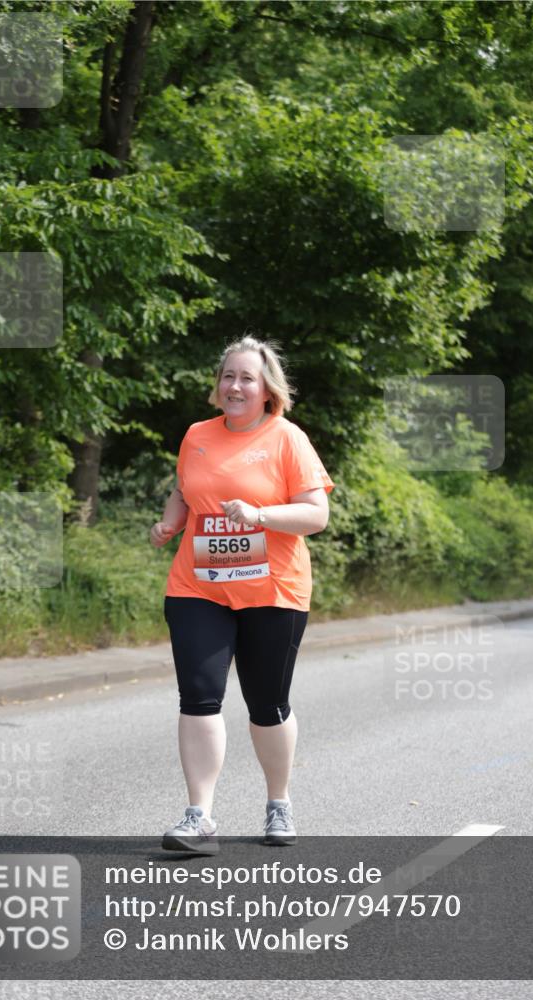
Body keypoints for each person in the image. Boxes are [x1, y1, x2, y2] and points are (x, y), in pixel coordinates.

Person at [149, 335, 334, 853]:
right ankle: (199, 815)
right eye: (228, 376)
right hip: (198, 586)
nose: (234, 386)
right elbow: (185, 489)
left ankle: (279, 802)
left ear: (267, 389)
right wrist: (169, 523)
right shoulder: (197, 435)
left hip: (272, 590)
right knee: (199, 696)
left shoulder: (287, 438)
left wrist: (260, 516)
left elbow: (316, 515)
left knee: (267, 704)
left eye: (246, 378)